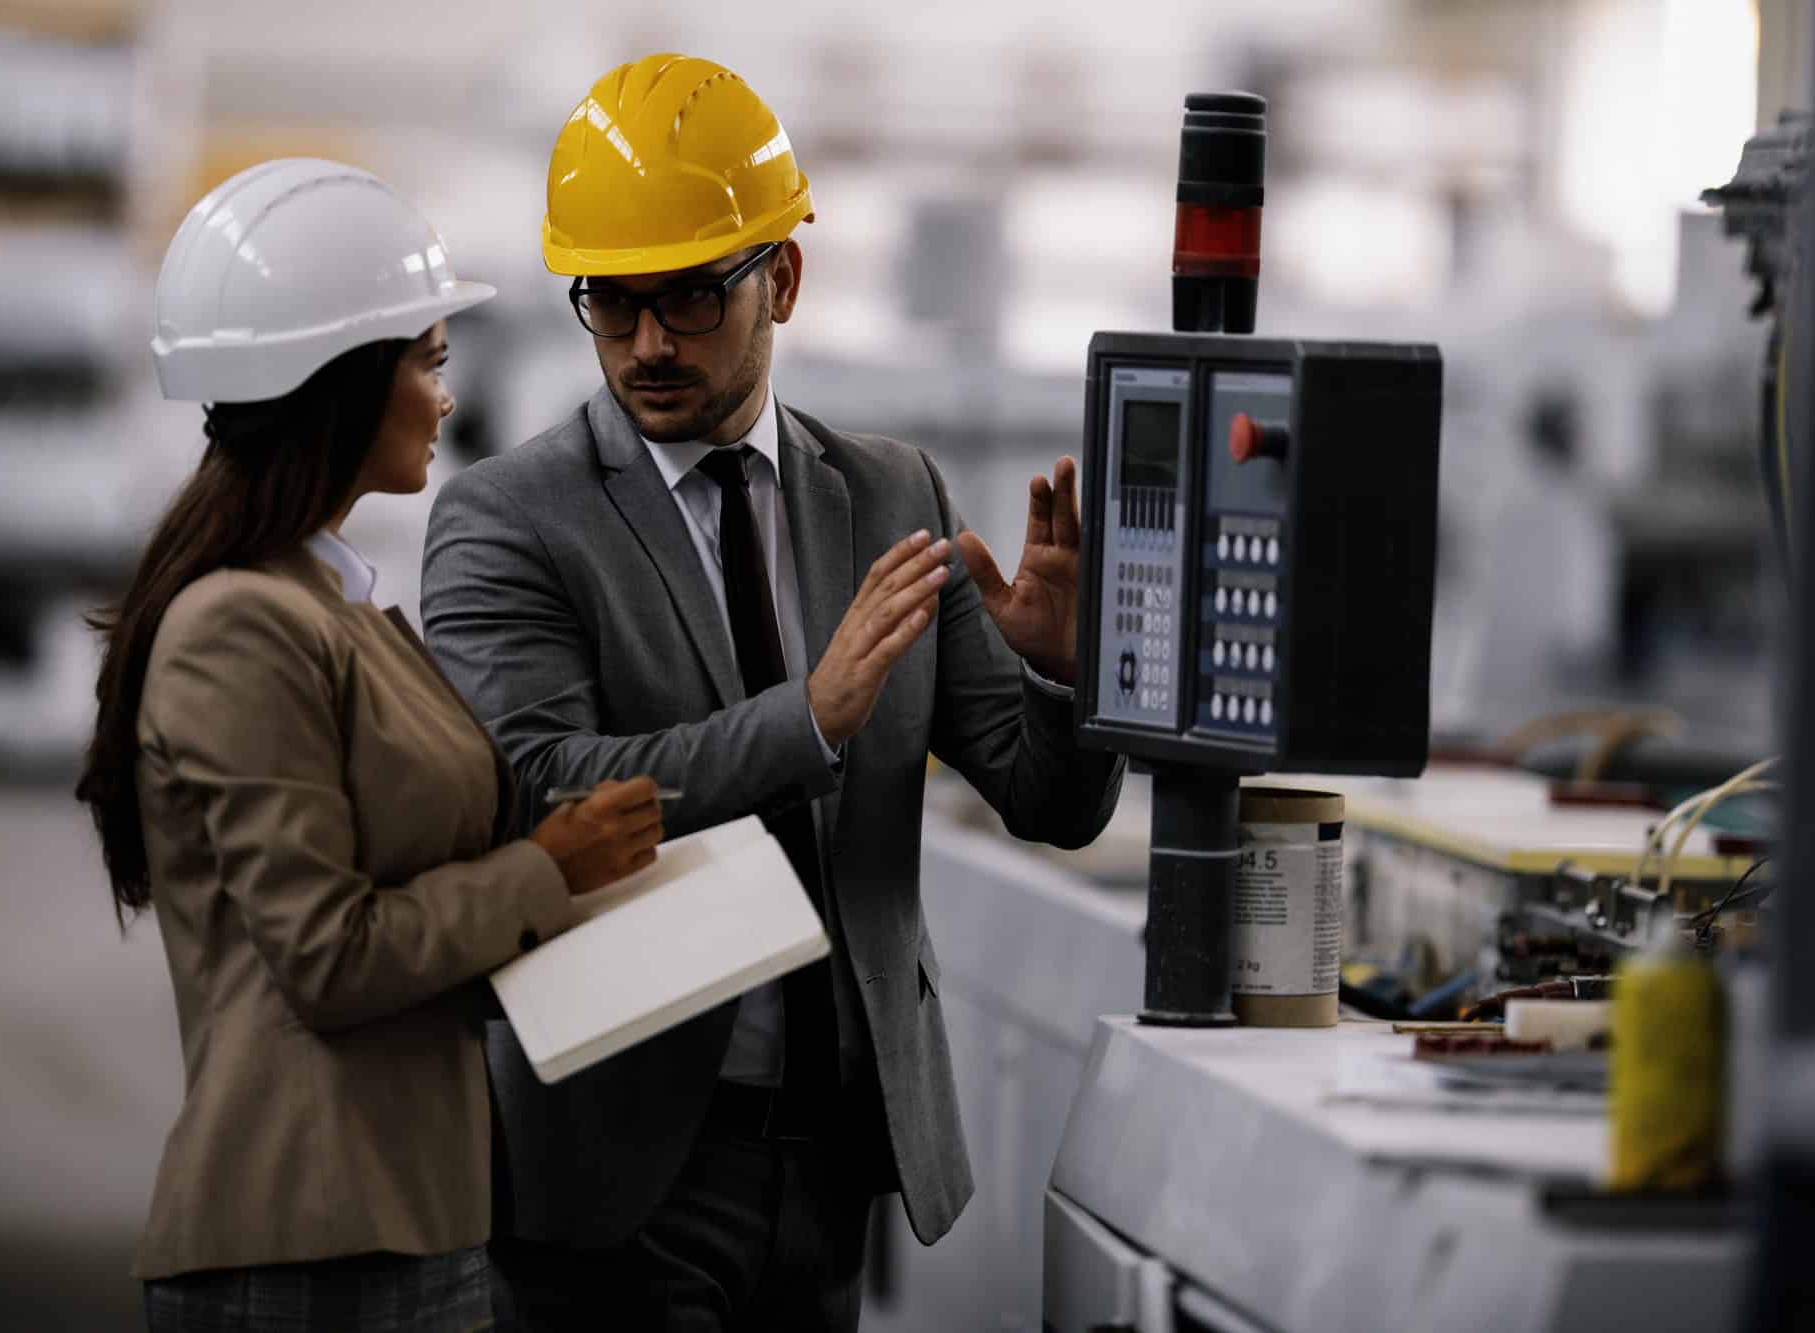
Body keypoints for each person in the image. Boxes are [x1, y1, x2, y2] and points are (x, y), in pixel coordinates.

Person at [421, 54, 1126, 1331]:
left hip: (834, 1155)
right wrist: (809, 720)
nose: (644, 345)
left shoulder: (889, 496)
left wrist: (1063, 674)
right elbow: (541, 789)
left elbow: (1045, 801)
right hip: (624, 1159)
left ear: (780, 279)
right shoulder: (508, 521)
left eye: (688, 298)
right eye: (610, 304)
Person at [75, 158, 663, 1332]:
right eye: (430, 362)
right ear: (339, 384)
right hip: (309, 1237)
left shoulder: (333, 605)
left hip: (409, 1216)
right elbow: (329, 956)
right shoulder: (236, 627)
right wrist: (547, 868)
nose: (449, 398)